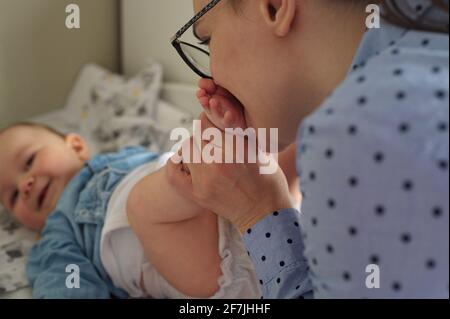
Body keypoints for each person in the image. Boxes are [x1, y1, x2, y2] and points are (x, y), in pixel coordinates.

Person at [169, 0, 449, 298]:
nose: (210, 77)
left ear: (275, 7)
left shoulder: (359, 128)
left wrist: (256, 209)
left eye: (209, 39)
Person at [0, 121, 298, 298]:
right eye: (12, 196)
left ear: (76, 146)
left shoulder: (125, 156)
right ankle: (206, 155)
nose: (24, 184)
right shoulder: (54, 236)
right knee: (142, 203)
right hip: (200, 262)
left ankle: (292, 154)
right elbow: (65, 286)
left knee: (258, 158)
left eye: (28, 162)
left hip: (260, 225)